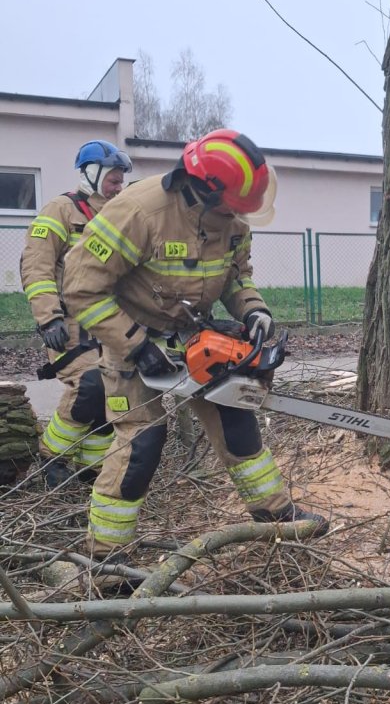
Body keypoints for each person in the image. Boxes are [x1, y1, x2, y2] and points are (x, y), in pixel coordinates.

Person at [62, 127, 328, 558]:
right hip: (130, 336)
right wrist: (135, 344)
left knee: (238, 419)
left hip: (192, 333)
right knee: (143, 441)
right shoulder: (138, 212)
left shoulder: (235, 219)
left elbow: (237, 277)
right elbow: (79, 287)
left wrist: (253, 310)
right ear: (203, 189)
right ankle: (105, 555)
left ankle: (276, 516)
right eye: (233, 207)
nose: (238, 217)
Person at [20, 140, 133, 488]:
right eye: (113, 180)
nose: (119, 187)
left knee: (111, 392)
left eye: (120, 181)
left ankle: (90, 468)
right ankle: (50, 459)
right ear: (91, 174)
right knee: (90, 385)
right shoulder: (61, 210)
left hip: (109, 322)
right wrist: (48, 316)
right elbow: (35, 266)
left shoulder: (121, 214)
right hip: (68, 324)